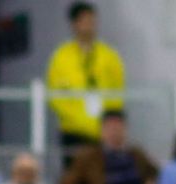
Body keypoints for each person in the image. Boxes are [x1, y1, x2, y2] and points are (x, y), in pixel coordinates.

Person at [45, 2, 126, 147]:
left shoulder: (109, 55)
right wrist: (77, 119)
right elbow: (55, 96)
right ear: (74, 24)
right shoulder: (61, 57)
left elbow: (118, 90)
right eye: (85, 21)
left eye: (92, 21)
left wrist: (110, 122)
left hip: (103, 131)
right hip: (73, 130)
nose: (90, 26)